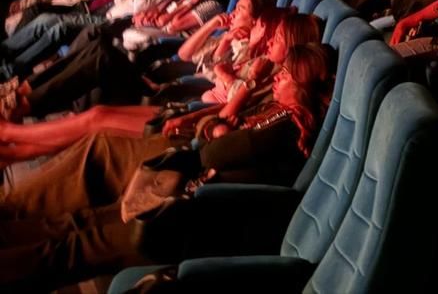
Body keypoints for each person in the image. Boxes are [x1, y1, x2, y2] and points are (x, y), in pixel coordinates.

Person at [0, 43, 334, 292]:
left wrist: (217, 129)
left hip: (192, 214)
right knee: (78, 224)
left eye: (288, 75)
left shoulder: (285, 121)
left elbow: (214, 152)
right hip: (184, 195)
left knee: (75, 246)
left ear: (304, 86)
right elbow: (217, 132)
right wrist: (215, 128)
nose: (279, 78)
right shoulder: (278, 111)